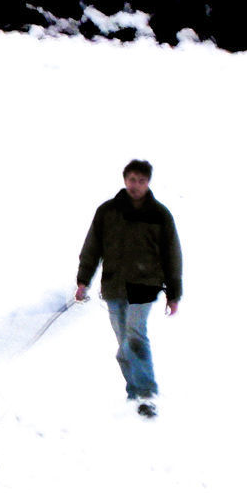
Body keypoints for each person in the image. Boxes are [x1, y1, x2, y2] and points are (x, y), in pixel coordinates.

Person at [75, 159, 183, 418]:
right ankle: (133, 392)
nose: (136, 185)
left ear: (149, 183)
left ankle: (146, 394)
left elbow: (172, 254)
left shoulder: (159, 215)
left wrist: (174, 293)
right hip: (114, 284)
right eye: (132, 180)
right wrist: (83, 280)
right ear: (125, 180)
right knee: (124, 343)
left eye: (142, 181)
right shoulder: (107, 212)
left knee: (135, 334)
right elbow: (92, 247)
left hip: (145, 285)